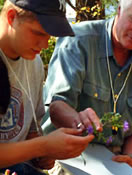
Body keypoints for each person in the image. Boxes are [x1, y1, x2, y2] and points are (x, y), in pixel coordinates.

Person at [43, 0, 132, 174]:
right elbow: (56, 106)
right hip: (74, 144)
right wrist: (78, 121)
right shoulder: (78, 39)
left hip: (123, 147)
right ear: (119, 11)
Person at [0, 0, 95, 174]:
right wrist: (42, 146)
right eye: (38, 33)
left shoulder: (33, 62)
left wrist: (46, 154)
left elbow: (31, 131)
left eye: (49, 35)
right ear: (11, 17)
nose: (44, 45)